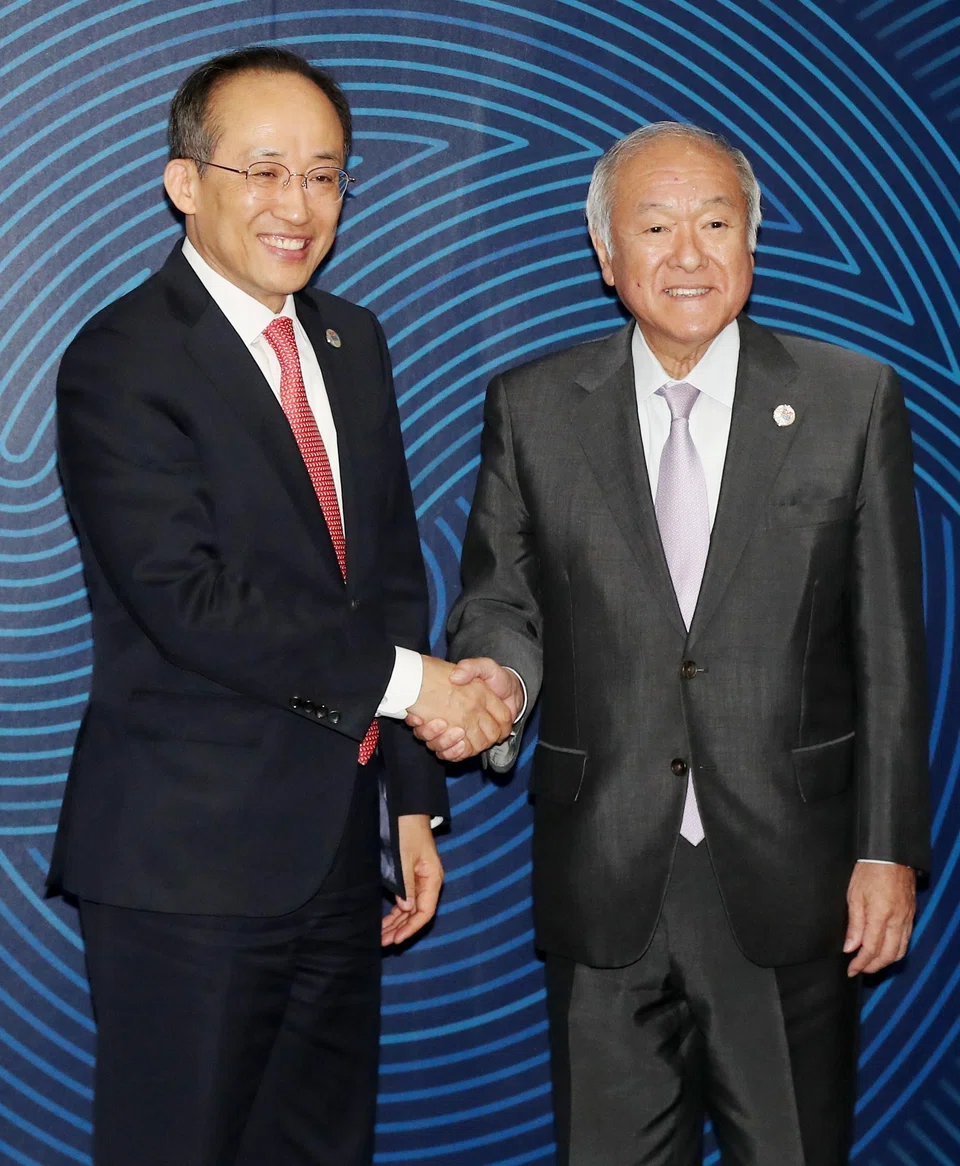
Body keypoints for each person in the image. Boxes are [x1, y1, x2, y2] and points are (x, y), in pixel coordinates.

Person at [413, 122, 931, 1164]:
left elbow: (887, 645)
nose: (687, 253)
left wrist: (887, 845)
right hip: (606, 870)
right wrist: (497, 679)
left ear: (751, 243)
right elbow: (497, 596)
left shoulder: (851, 398)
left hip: (794, 875)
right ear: (606, 254)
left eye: (714, 222)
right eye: (654, 226)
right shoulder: (533, 406)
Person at [49, 46, 513, 1166]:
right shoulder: (122, 357)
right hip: (184, 872)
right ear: (183, 182)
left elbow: (391, 576)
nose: (295, 205)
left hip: (334, 863)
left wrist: (412, 792)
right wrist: (420, 688)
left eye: (323, 174)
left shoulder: (354, 343)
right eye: (261, 171)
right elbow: (191, 601)